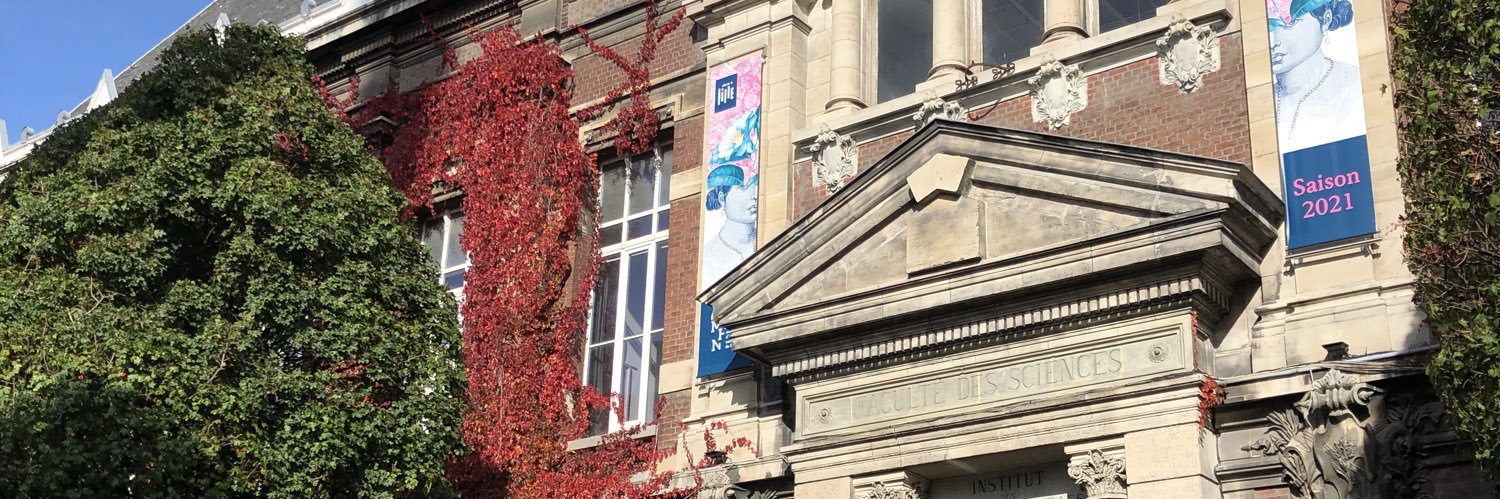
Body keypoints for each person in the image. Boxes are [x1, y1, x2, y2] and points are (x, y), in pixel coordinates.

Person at [1268, 0, 1364, 152]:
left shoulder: (1355, 85)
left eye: (1289, 23)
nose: (1273, 41)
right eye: (1268, 26)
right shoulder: (1265, 100)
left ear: (1325, 20)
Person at [701, 164, 758, 286]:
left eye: (756, 185)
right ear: (722, 198)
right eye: (743, 188)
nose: (754, 196)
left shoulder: (767, 238)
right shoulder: (708, 257)